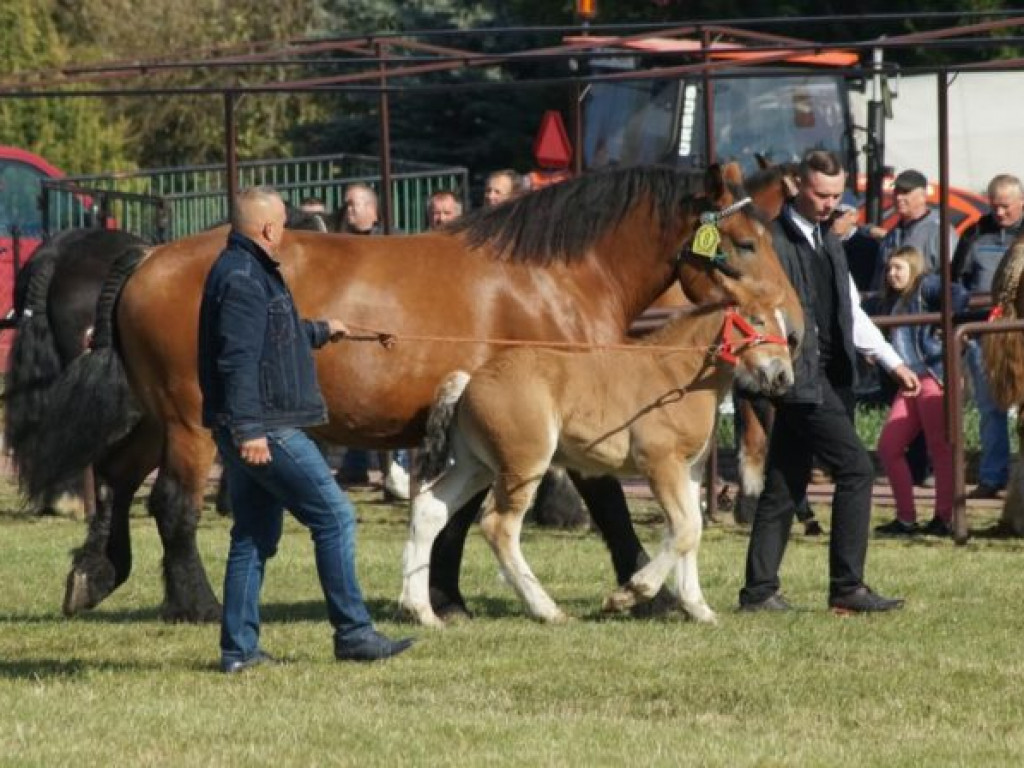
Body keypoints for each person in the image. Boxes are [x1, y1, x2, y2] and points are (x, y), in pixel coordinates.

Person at [197, 186, 413, 672]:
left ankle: (239, 652)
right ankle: (354, 633)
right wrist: (250, 430)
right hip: (266, 427)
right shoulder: (244, 278)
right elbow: (236, 360)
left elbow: (270, 336)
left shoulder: (245, 269)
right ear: (269, 229)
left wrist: (325, 329)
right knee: (335, 516)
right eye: (283, 225)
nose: (285, 233)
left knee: (252, 535)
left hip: (253, 423)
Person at [738, 149, 920, 614]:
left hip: (835, 377)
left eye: (836, 196)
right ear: (797, 186)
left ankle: (758, 592)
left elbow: (850, 309)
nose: (829, 204)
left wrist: (890, 360)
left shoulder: (829, 239)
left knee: (784, 480)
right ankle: (847, 588)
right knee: (857, 469)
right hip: (799, 380)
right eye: (821, 194)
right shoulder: (771, 241)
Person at [874, 247, 968, 537]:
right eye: (889, 269)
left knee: (939, 447)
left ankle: (944, 517)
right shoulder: (894, 301)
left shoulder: (925, 285)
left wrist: (944, 324)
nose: (892, 275)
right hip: (910, 380)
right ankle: (905, 518)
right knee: (889, 447)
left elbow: (959, 293)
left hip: (932, 375)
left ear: (913, 268)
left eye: (898, 268)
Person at [953, 173, 1024, 499]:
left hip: (1019, 333)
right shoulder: (974, 234)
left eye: (1006, 207)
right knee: (990, 408)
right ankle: (992, 477)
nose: (1000, 213)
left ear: (1020, 202)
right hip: (983, 333)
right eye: (994, 206)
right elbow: (957, 283)